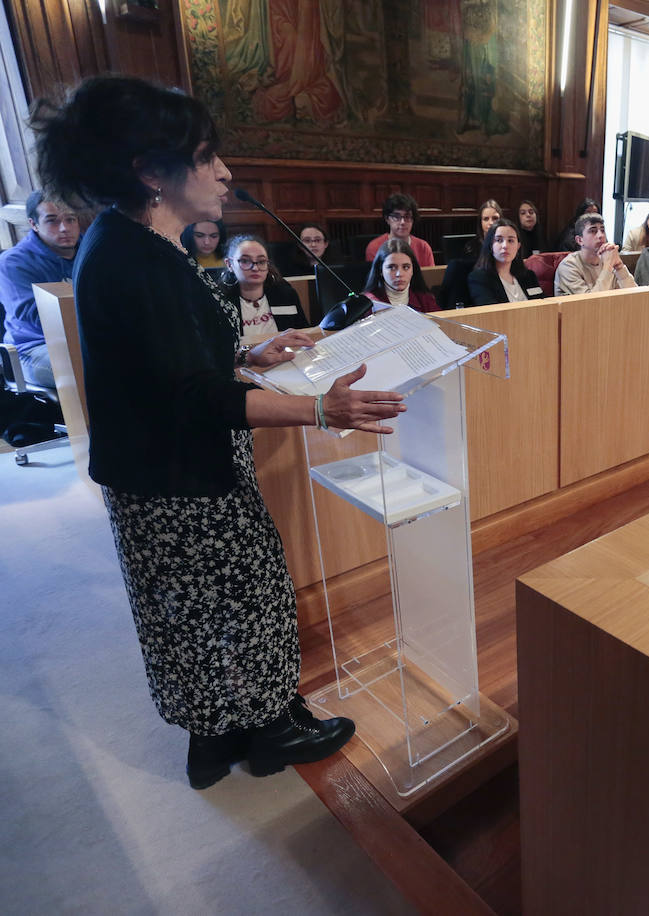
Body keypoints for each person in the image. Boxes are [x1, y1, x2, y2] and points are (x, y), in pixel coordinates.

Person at [35, 75, 403, 789]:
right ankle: (270, 731)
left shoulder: (127, 244)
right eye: (206, 157)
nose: (225, 172)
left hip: (157, 473)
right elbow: (195, 396)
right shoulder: (135, 258)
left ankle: (216, 738)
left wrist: (246, 354)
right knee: (248, 596)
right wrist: (322, 410)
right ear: (151, 171)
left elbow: (159, 360)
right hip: (182, 476)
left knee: (191, 613)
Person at [0, 190, 81, 388]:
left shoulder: (90, 249)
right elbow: (36, 315)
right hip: (33, 348)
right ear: (33, 224)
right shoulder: (14, 262)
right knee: (92, 369)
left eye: (71, 219)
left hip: (85, 340)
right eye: (52, 221)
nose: (64, 228)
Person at [218, 234, 307, 345]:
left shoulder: (286, 295)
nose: (255, 268)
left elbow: (303, 333)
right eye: (245, 261)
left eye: (261, 262)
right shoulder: (220, 303)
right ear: (230, 264)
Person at [467, 218, 546, 305]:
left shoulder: (528, 276)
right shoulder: (479, 278)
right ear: (490, 245)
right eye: (499, 240)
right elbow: (490, 312)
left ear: (518, 246)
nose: (505, 246)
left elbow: (542, 305)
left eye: (511, 240)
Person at [553, 213, 636, 296]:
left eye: (602, 230)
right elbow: (591, 303)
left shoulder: (606, 259)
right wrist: (608, 267)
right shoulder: (568, 266)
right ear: (579, 240)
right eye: (593, 231)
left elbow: (635, 296)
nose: (601, 235)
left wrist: (619, 266)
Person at [362, 238, 438, 312]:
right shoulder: (368, 303)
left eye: (406, 267)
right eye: (392, 267)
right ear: (380, 270)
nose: (399, 274)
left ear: (413, 270)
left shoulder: (426, 299)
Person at [365, 192, 434, 267]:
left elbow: (430, 276)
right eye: (396, 217)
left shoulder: (423, 247)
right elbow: (375, 277)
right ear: (387, 219)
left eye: (407, 217)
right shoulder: (375, 247)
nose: (402, 222)